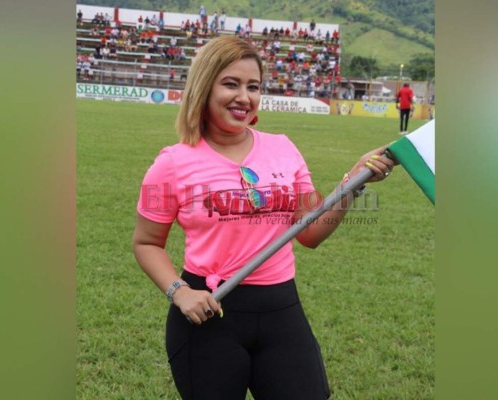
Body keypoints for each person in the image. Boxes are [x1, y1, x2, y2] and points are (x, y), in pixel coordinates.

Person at [132, 36, 395, 400]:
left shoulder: (282, 148)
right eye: (230, 84)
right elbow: (146, 243)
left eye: (253, 86)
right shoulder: (171, 163)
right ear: (204, 87)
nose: (244, 97)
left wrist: (353, 181)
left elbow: (310, 233)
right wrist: (180, 293)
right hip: (207, 315)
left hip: (281, 311)